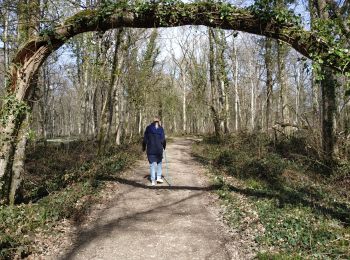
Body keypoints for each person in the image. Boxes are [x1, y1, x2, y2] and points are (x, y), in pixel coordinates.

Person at [142, 116, 166, 186]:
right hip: (159, 149)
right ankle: (158, 177)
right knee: (159, 163)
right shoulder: (161, 129)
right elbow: (163, 140)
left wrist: (143, 147)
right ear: (159, 121)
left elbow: (145, 139)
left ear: (153, 121)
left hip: (150, 149)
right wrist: (164, 147)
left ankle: (153, 180)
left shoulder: (148, 128)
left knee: (152, 165)